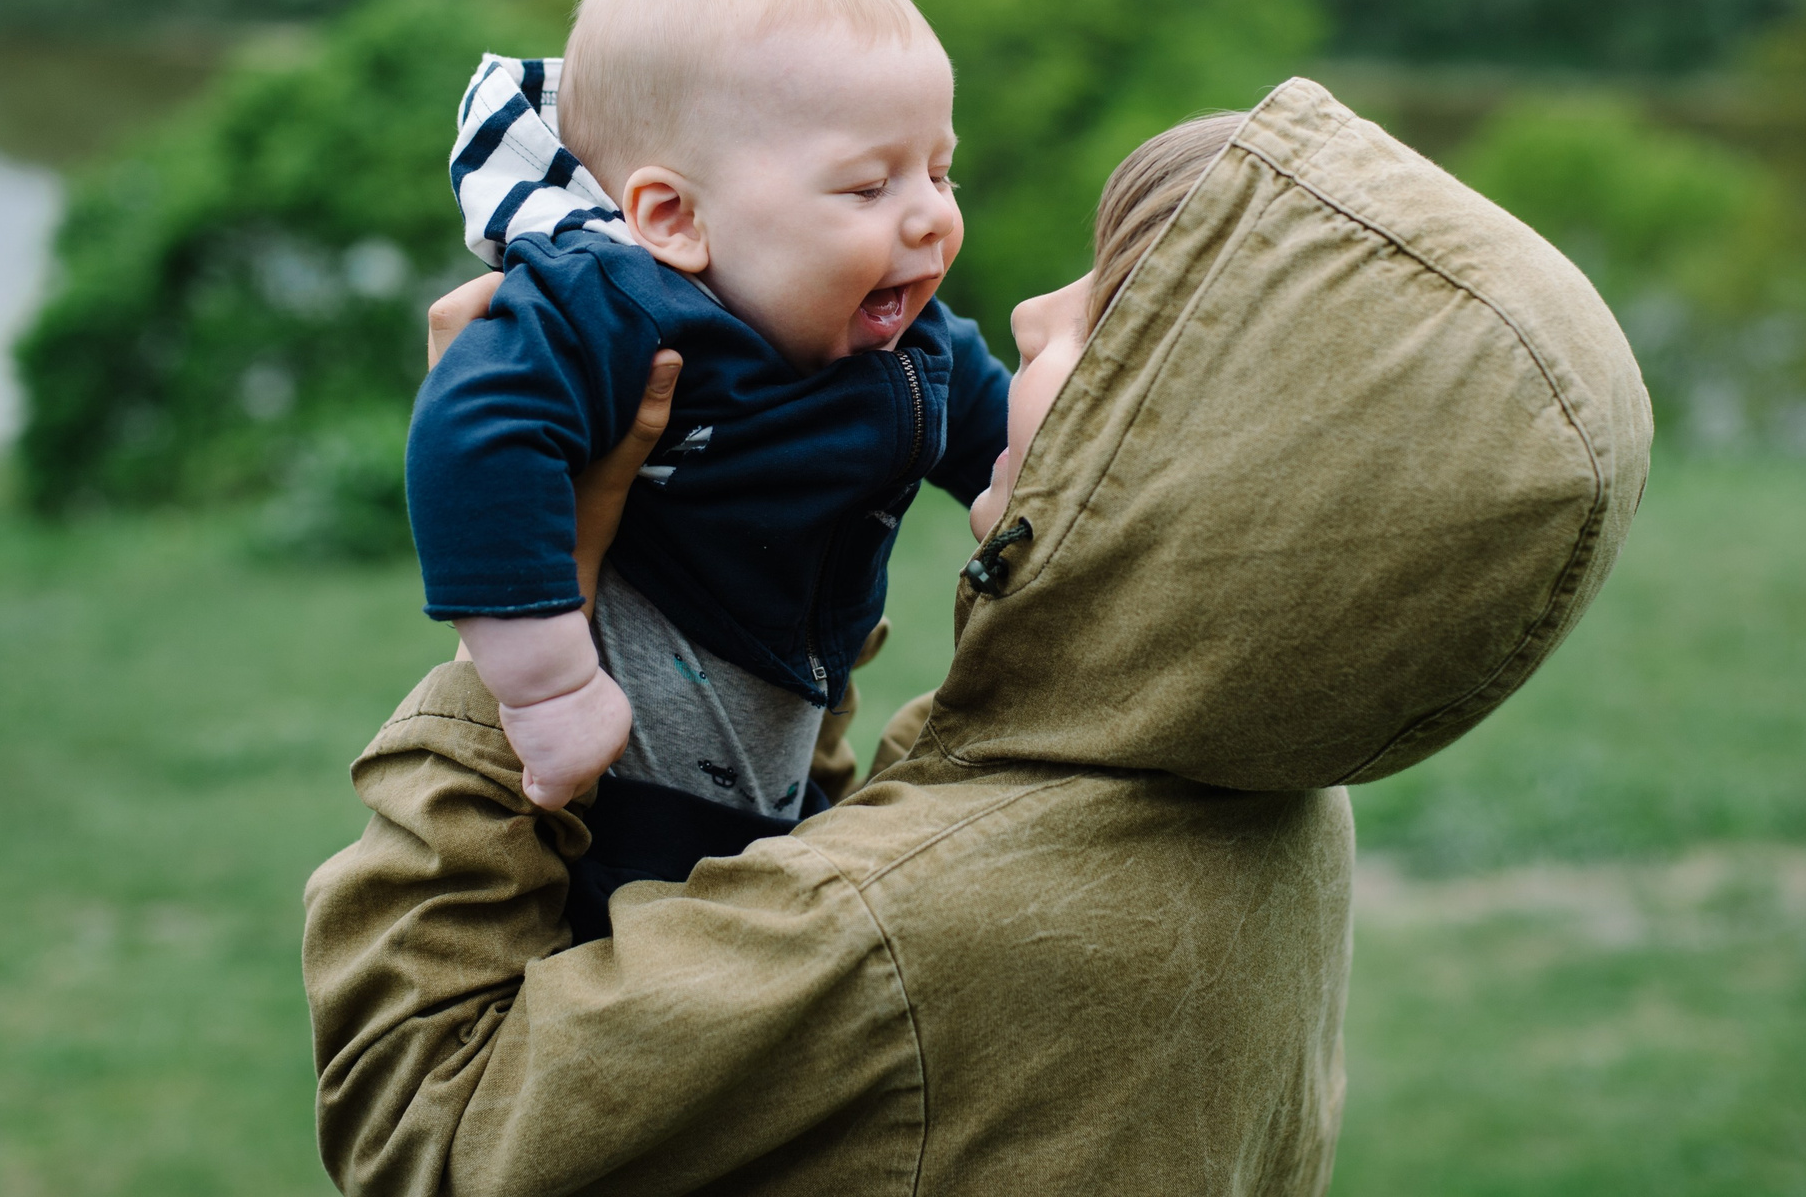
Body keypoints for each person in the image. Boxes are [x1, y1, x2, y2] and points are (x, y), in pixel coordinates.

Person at [307, 78, 1653, 1195]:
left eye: (1100, 325)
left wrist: (540, 647)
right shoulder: (1278, 804)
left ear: (1200, 464)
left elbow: (428, 1125)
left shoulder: (906, 925)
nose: (1025, 316)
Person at [406, 0, 1008, 933]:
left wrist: (1044, 492)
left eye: (938, 173)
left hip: (785, 751)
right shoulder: (610, 306)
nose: (929, 217)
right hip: (622, 780)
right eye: (868, 185)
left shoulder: (905, 343)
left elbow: (1004, 435)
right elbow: (474, 431)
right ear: (674, 218)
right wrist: (547, 690)